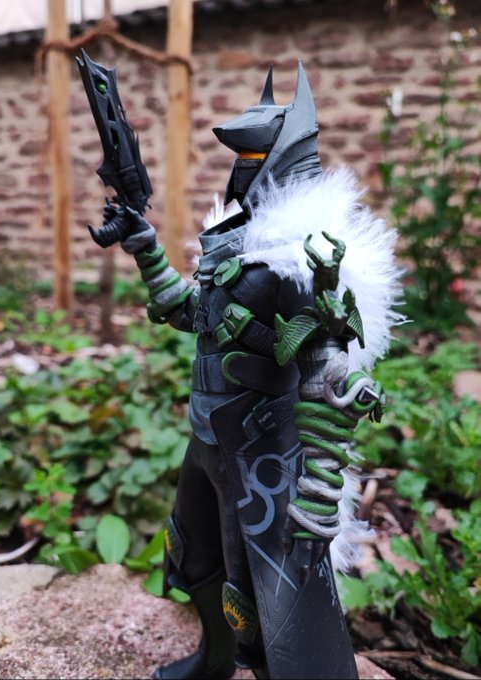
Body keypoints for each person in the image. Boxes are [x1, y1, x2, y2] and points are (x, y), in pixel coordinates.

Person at [88, 62, 400, 680]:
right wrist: (145, 243)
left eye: (253, 159)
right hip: (208, 434)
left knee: (259, 593)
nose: (240, 172)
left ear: (283, 162)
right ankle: (214, 661)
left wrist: (320, 489)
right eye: (241, 159)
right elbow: (190, 313)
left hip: (262, 452)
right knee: (192, 556)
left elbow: (329, 378)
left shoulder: (303, 260)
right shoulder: (233, 245)